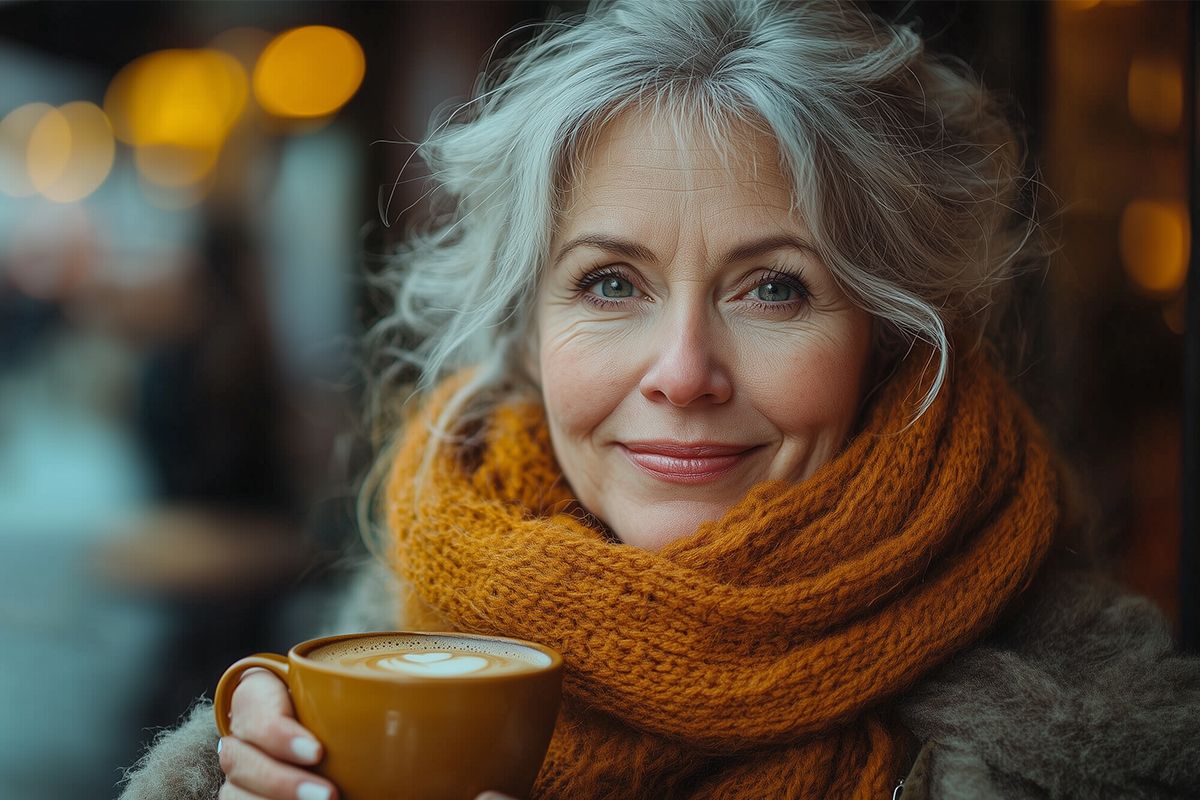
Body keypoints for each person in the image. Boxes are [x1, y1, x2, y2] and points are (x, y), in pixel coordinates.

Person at [119, 1, 1200, 798]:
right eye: (610, 283)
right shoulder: (394, 652)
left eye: (776, 287)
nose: (682, 370)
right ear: (526, 334)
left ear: (888, 340)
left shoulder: (1093, 731)